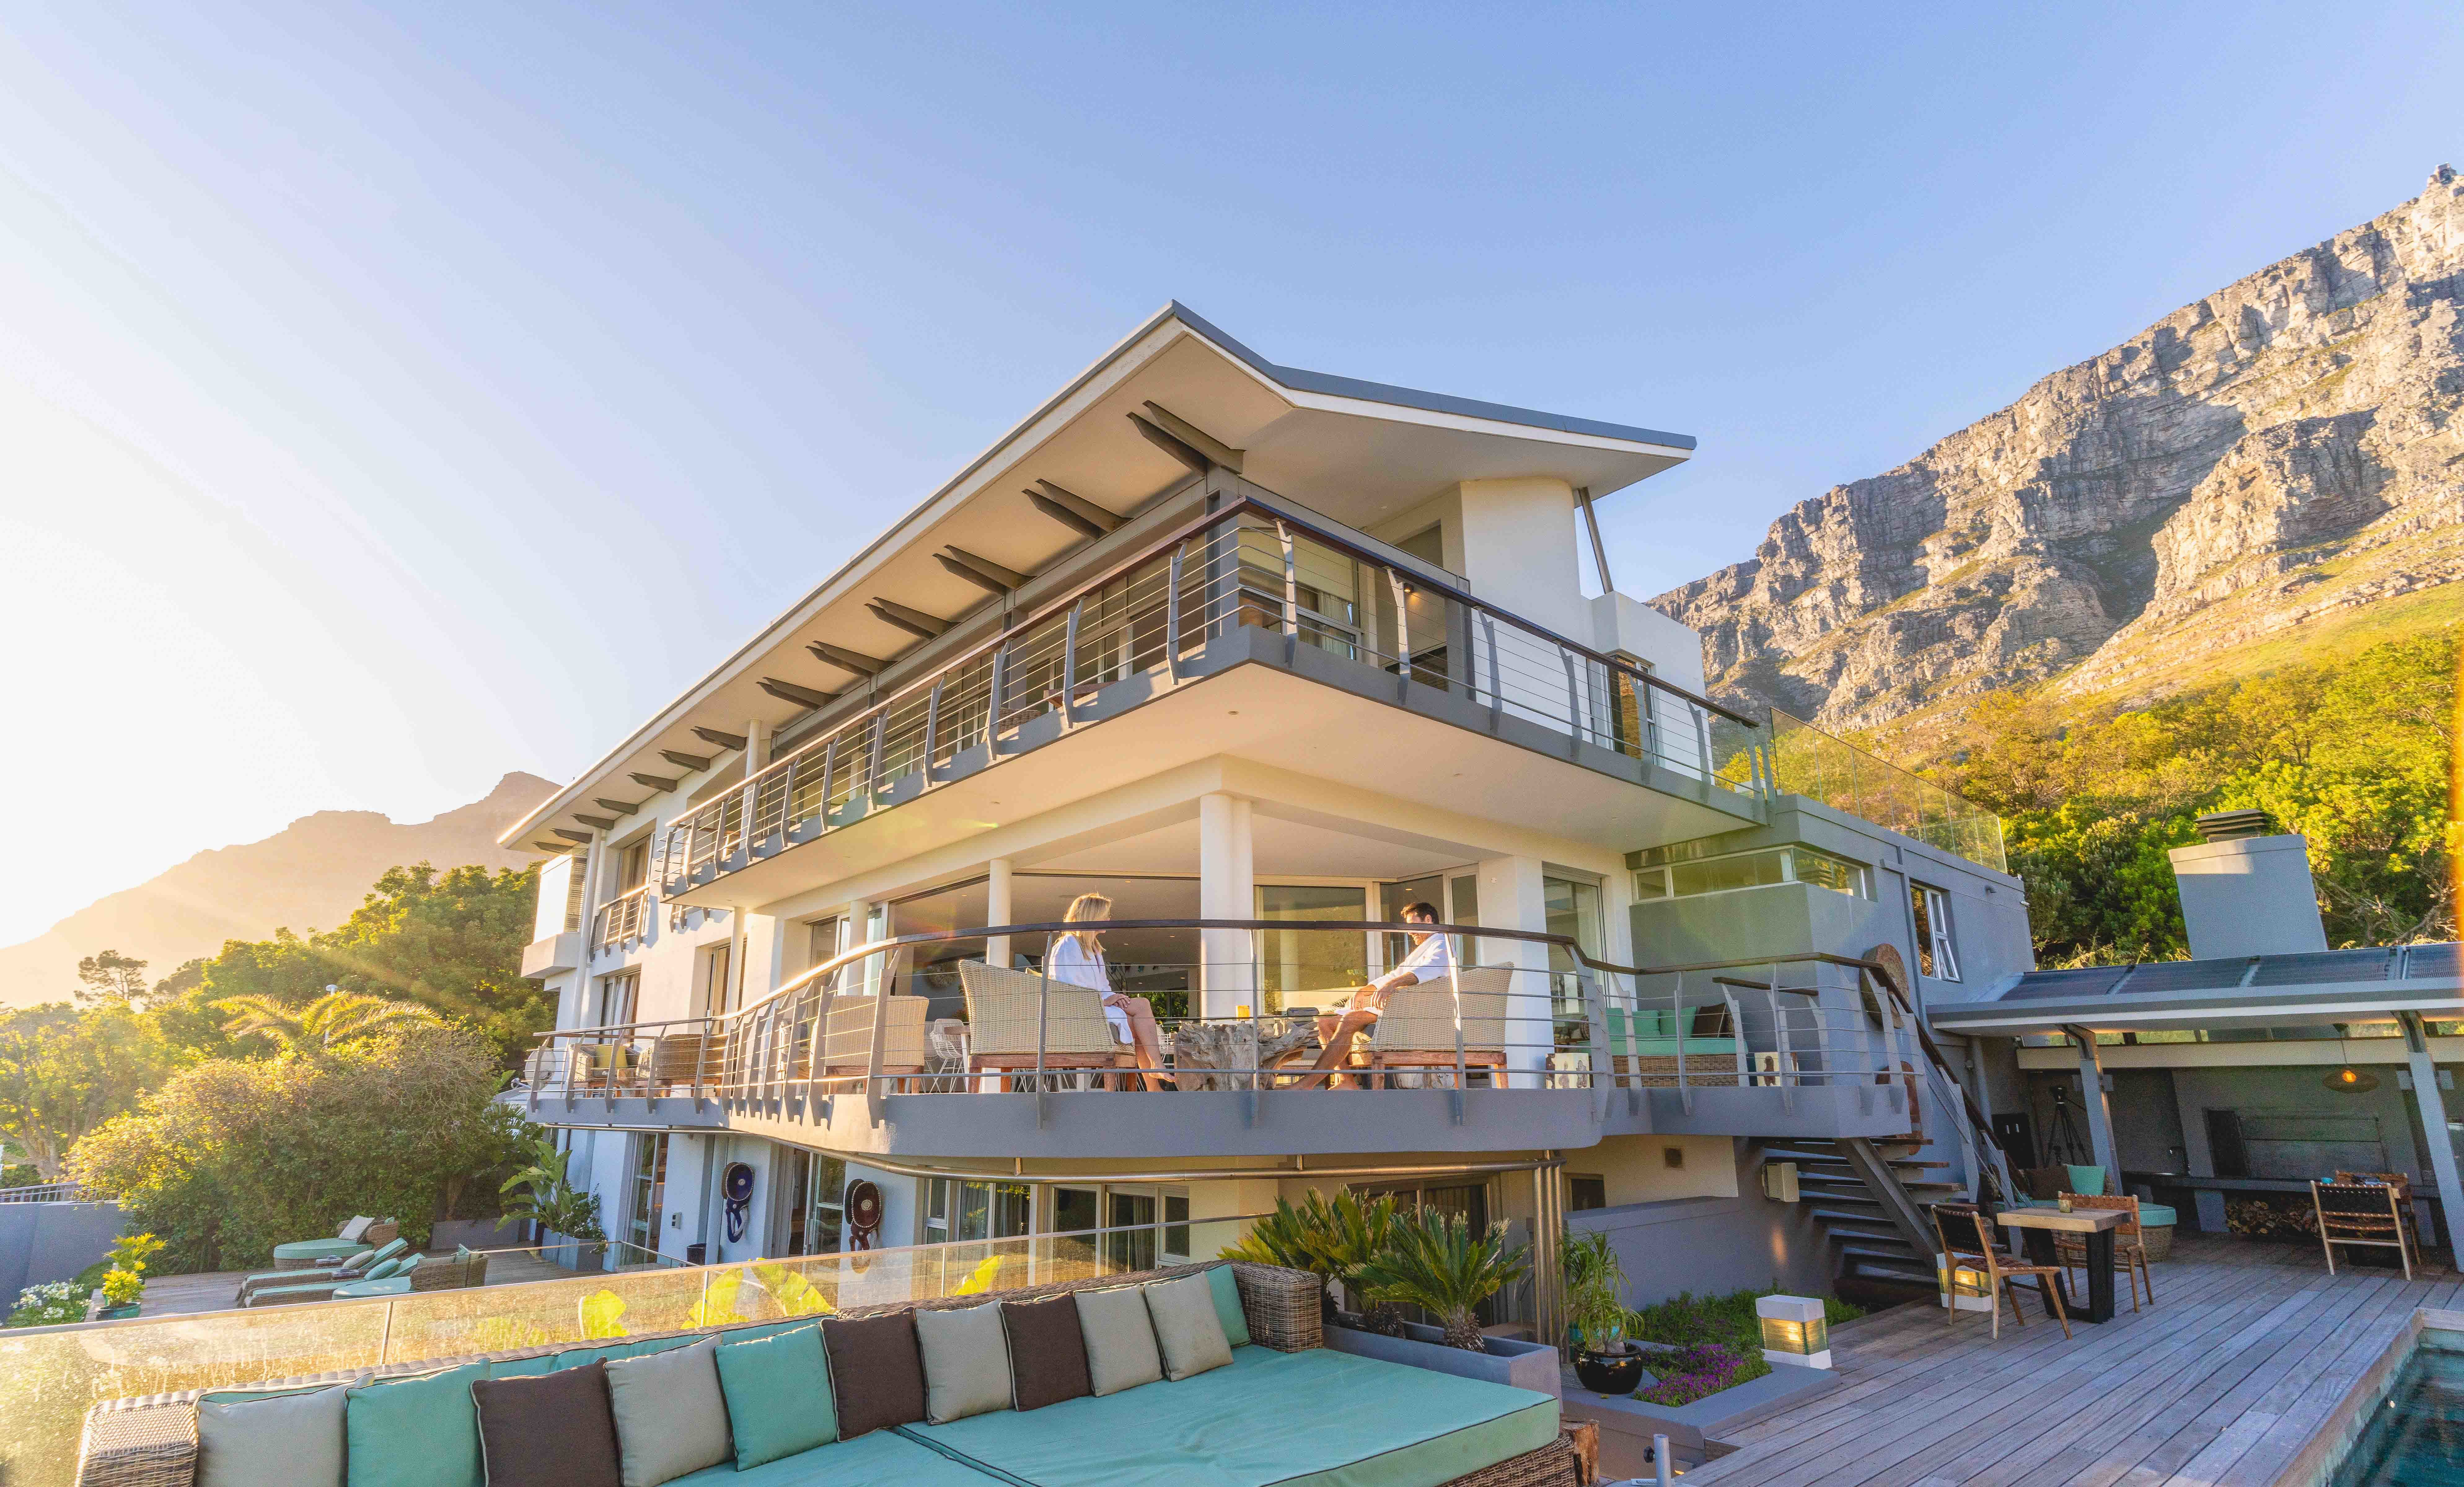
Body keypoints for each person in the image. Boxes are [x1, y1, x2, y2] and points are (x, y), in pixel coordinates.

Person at [1304, 901, 1453, 1089]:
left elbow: (1428, 970)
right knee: (1324, 1024)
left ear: (1429, 920)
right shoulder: (1424, 949)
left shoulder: (1442, 945)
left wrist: (1393, 985)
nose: (1410, 932)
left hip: (1412, 1015)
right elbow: (1396, 974)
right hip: (1394, 1009)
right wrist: (1367, 989)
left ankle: (1306, 1084)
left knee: (1349, 1020)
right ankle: (1346, 1081)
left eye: (1413, 926)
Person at [1045, 893, 1174, 1092]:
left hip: (1100, 1006)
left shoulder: (1094, 949)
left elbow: (1104, 986)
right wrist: (1105, 1001)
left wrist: (1116, 999)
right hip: (1080, 1012)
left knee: (1138, 1013)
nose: (1109, 920)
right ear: (1092, 917)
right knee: (1141, 1009)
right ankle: (1155, 1077)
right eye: (1105, 915)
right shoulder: (1068, 945)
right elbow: (1066, 989)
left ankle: (1154, 1084)